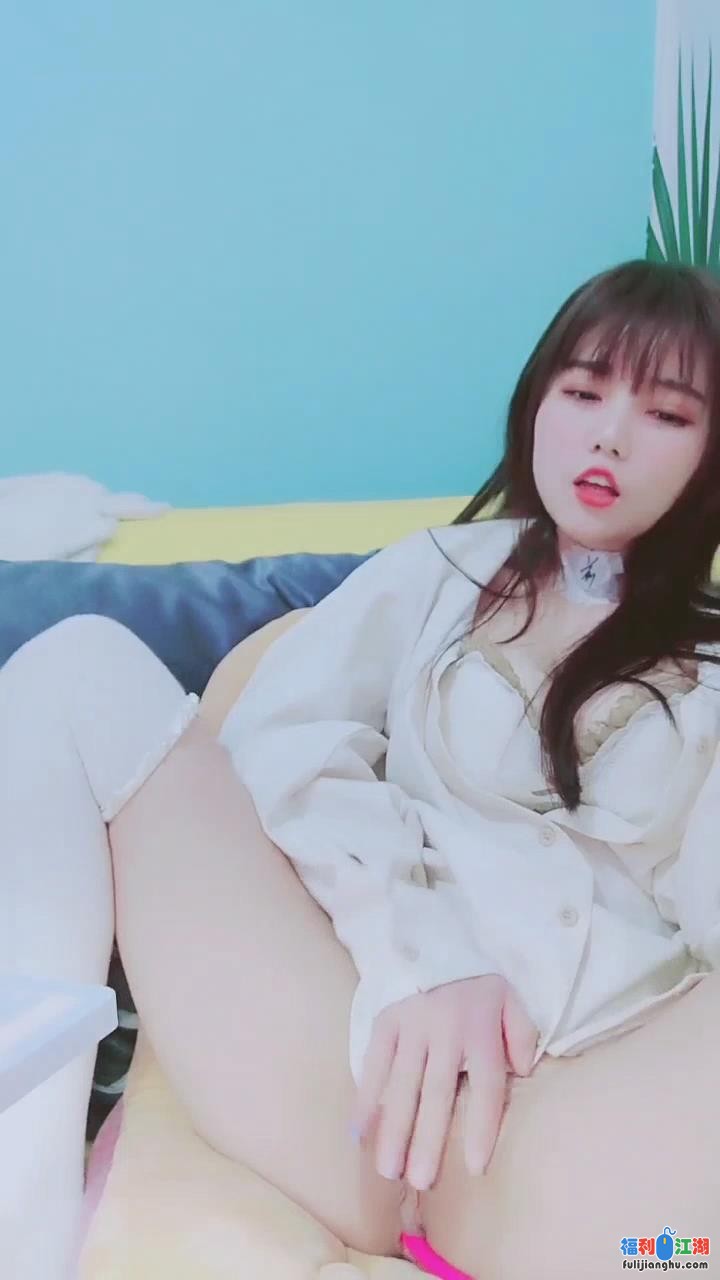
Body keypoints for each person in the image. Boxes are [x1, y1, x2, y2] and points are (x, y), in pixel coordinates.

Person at [2, 259, 720, 1280]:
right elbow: (279, 747)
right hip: (346, 1070)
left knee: (678, 1252)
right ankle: (18, 1232)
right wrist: (423, 955)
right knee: (79, 666)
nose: (610, 435)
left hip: (575, 1156)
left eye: (667, 414)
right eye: (584, 390)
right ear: (536, 403)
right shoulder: (437, 575)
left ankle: (662, 1264)